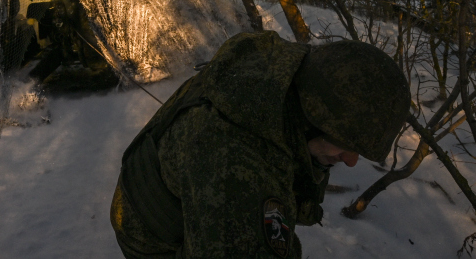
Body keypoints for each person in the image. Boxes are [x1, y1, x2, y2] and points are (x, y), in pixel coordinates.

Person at [110, 31, 411, 258]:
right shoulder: (234, 168)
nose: (351, 161)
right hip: (153, 239)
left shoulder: (278, 77)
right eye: (343, 144)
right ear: (310, 119)